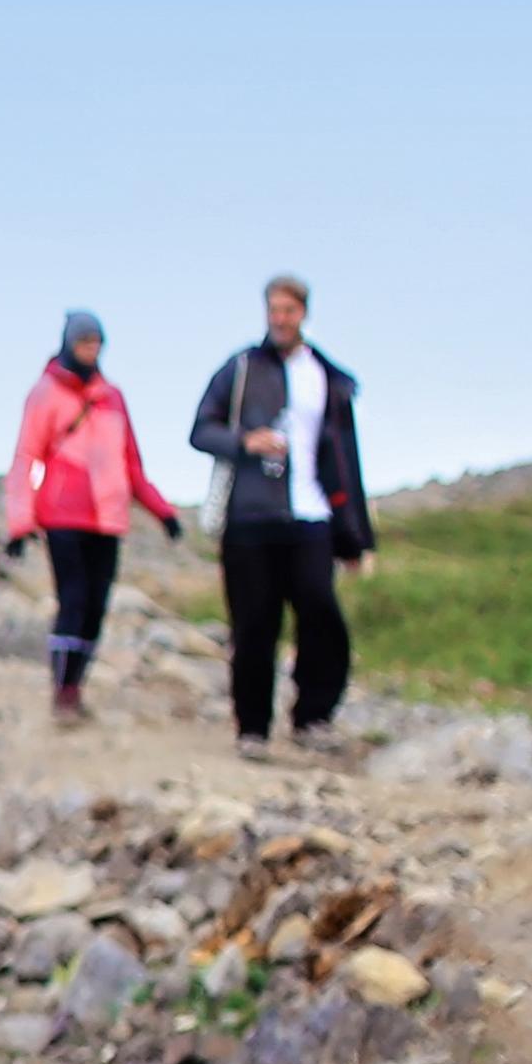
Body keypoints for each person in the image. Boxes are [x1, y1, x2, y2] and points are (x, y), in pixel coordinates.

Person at [185, 276, 370, 752]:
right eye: (273, 309)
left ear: (303, 312)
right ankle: (252, 729)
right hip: (248, 520)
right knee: (253, 626)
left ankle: (313, 717)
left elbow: (346, 459)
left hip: (311, 517)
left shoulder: (326, 377)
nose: (280, 318)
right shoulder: (241, 368)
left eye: (288, 310)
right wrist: (245, 441)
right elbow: (200, 430)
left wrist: (355, 538)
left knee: (320, 613)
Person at [2, 309, 182, 728]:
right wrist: (20, 521)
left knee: (96, 608)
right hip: (63, 516)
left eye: (96, 343)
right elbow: (26, 457)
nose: (90, 350)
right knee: (74, 599)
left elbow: (131, 464)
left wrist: (163, 512)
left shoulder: (113, 397)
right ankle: (62, 693)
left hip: (109, 519)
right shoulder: (45, 393)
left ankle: (76, 687)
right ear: (69, 343)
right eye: (84, 342)